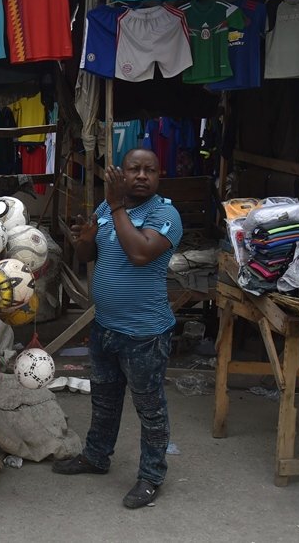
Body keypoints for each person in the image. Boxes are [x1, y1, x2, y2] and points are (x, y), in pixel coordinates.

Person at [52, 148, 183, 509]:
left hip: (144, 334)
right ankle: (96, 457)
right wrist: (84, 237)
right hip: (105, 327)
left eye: (150, 170)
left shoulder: (164, 213)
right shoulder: (106, 210)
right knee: (104, 400)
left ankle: (151, 476)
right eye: (134, 169)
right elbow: (86, 256)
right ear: (121, 174)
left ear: (159, 176)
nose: (141, 175)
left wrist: (116, 207)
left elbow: (140, 253)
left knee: (149, 407)